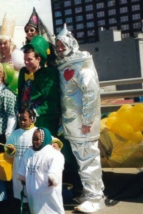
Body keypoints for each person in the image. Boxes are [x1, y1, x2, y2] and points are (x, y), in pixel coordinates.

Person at [55, 24, 105, 213]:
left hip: (83, 126)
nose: (60, 49)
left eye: (62, 45)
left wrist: (87, 121)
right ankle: (89, 192)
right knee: (82, 161)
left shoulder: (83, 67)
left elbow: (90, 94)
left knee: (89, 159)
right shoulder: (65, 67)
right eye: (57, 46)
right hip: (72, 125)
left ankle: (96, 197)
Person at [17, 35, 61, 136]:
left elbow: (51, 102)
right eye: (25, 59)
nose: (26, 63)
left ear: (38, 59)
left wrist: (34, 112)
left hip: (43, 122)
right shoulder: (23, 72)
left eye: (30, 59)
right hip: (25, 122)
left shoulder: (48, 74)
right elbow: (20, 95)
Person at [17, 127, 65, 214]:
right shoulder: (28, 153)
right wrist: (23, 180)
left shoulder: (53, 153)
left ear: (44, 139)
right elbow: (23, 172)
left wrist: (52, 177)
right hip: (33, 196)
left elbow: (56, 167)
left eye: (37, 139)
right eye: (33, 139)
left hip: (48, 194)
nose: (34, 141)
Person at [4, 108, 37, 214]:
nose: (22, 122)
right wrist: (10, 150)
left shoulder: (37, 132)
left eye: (25, 119)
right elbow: (7, 150)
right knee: (20, 192)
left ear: (32, 119)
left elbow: (50, 141)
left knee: (32, 192)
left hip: (32, 169)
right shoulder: (15, 134)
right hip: (18, 168)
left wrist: (55, 143)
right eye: (20, 119)